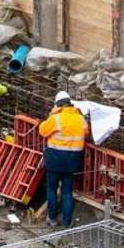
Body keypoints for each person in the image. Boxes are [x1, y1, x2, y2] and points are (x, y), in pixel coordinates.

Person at [37, 91, 89, 227]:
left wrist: (50, 116)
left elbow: (42, 131)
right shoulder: (81, 119)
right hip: (72, 161)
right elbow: (86, 132)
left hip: (55, 159)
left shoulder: (56, 118)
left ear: (57, 105)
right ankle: (67, 223)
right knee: (67, 192)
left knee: (51, 189)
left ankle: (52, 218)